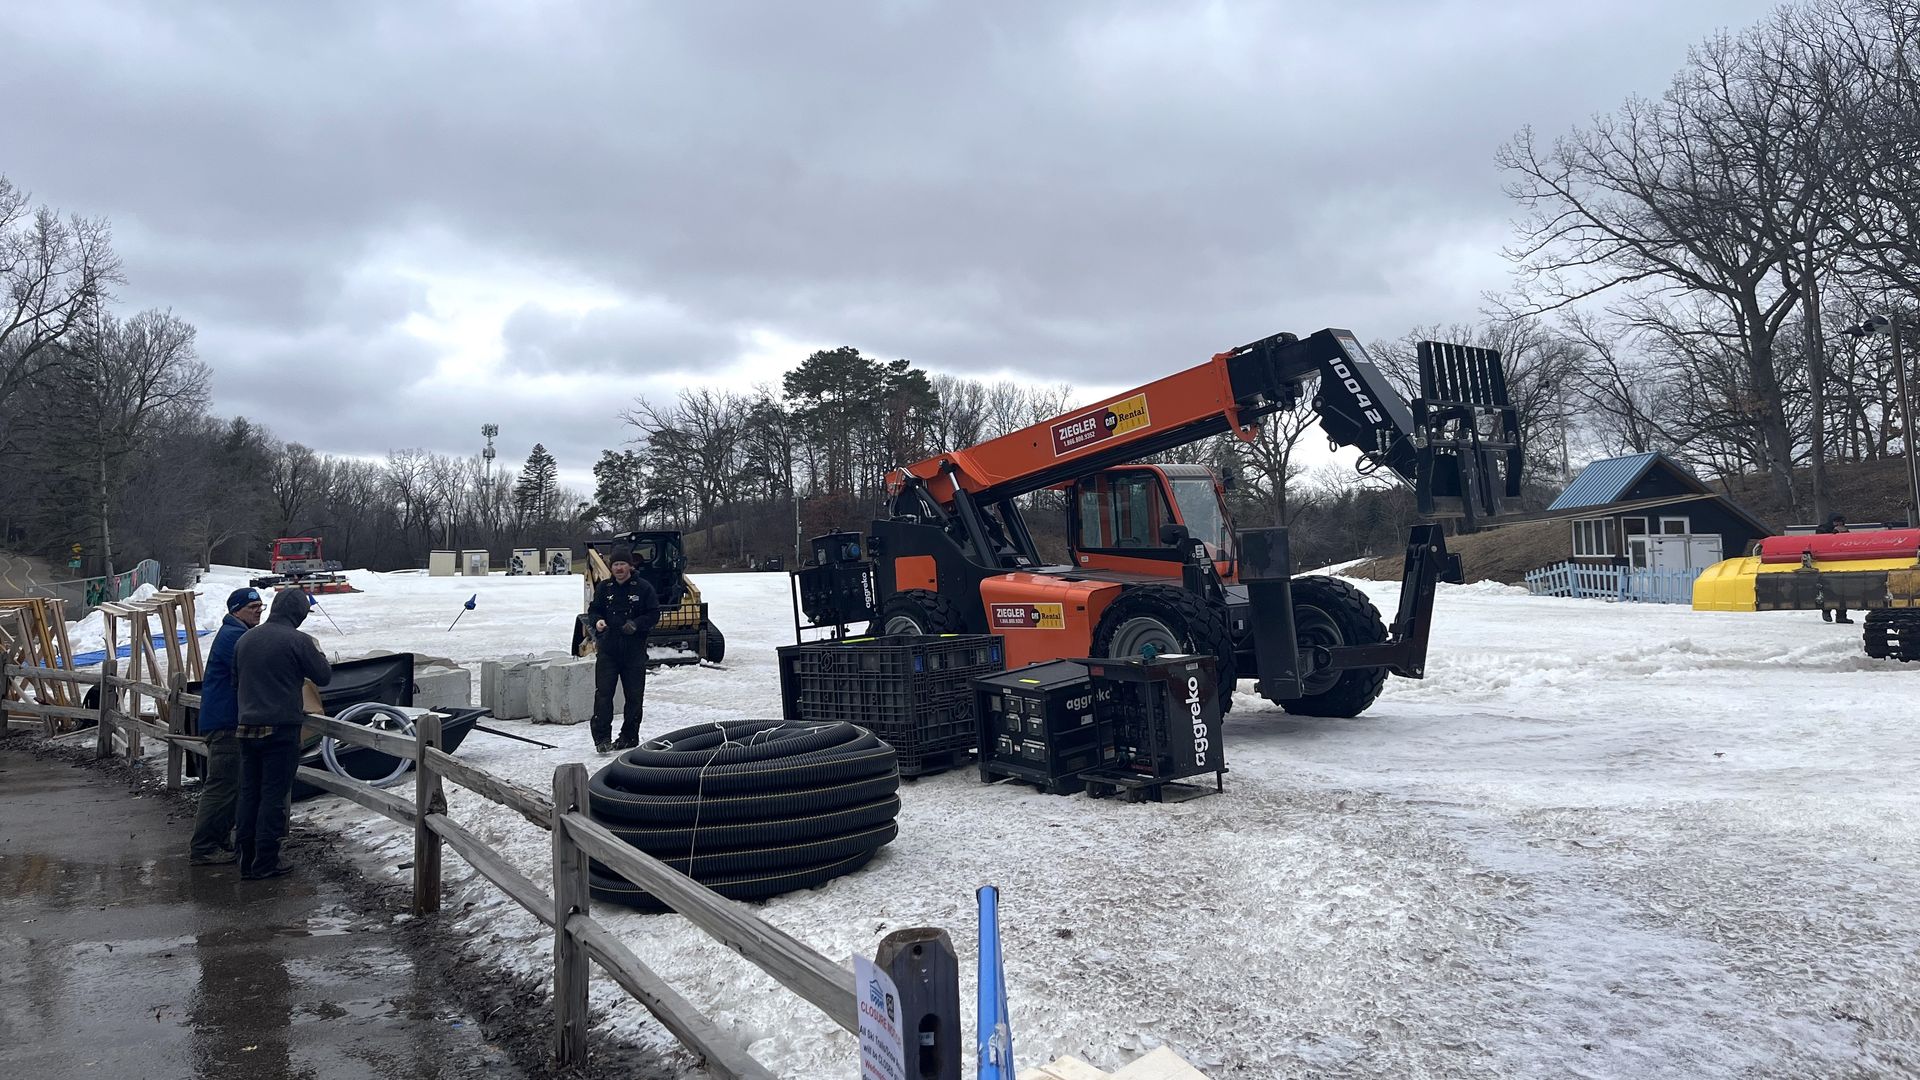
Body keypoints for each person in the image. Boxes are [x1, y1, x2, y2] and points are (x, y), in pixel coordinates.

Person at [232, 589, 332, 880]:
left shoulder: (245, 639)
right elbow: (323, 676)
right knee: (274, 795)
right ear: (298, 613)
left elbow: (234, 681)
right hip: (280, 728)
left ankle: (245, 857)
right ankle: (265, 861)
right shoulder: (298, 641)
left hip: (246, 726)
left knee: (250, 793)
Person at [186, 587, 266, 865]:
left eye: (260, 606)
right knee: (222, 786)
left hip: (226, 720)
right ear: (236, 610)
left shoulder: (237, 634)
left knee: (231, 785)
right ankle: (205, 847)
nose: (257, 610)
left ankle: (218, 841)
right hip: (225, 723)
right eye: (251, 607)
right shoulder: (236, 637)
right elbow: (260, 668)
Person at [587, 548, 660, 754]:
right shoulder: (604, 588)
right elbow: (594, 610)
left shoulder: (643, 588)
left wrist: (637, 624)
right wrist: (598, 621)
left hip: (633, 651)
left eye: (622, 564)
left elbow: (654, 614)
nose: (619, 568)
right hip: (609, 649)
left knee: (634, 697)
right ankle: (601, 738)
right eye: (615, 565)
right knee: (603, 695)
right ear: (611, 567)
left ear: (630, 566)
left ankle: (629, 737)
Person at [1816, 512, 1853, 624]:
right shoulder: (1822, 529)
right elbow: (1821, 542)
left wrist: (1844, 534)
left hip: (1841, 563)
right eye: (1836, 521)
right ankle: (1826, 611)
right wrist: (1834, 533)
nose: (1838, 524)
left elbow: (1849, 543)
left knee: (1842, 590)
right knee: (1828, 589)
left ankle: (1841, 615)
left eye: (1840, 522)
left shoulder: (1844, 530)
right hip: (1826, 563)